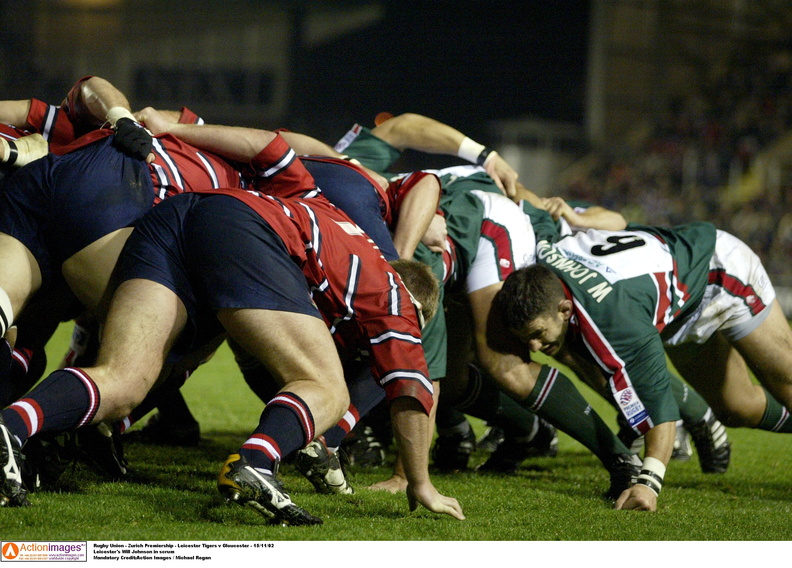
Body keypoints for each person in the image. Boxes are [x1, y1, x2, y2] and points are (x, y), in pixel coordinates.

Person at [0, 133, 464, 524]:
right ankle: (257, 462)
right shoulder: (399, 298)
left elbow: (270, 145)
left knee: (126, 377)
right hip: (241, 229)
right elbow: (410, 391)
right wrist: (420, 483)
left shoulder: (322, 204)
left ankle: (12, 426)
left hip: (178, 214)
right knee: (328, 387)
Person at [489, 204, 792, 511]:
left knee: (787, 384)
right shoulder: (543, 246)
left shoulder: (613, 320)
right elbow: (537, 204)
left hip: (722, 274)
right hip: (675, 307)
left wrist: (648, 484)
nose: (536, 346)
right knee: (738, 409)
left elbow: (661, 409)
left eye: (539, 333)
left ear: (565, 309)